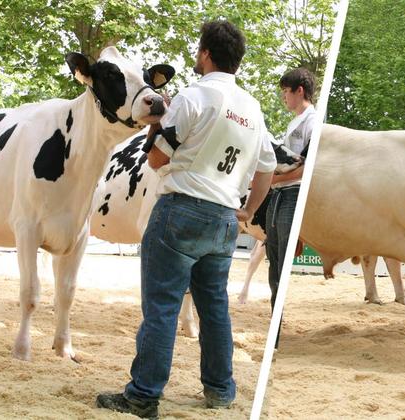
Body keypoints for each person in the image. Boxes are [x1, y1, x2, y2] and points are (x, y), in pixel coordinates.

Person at [96, 20, 277, 418]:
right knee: (215, 309)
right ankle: (220, 390)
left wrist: (157, 122)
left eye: (199, 51)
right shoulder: (253, 107)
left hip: (180, 207)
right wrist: (248, 209)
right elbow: (267, 167)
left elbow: (157, 157)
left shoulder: (193, 96)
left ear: (206, 54)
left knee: (160, 306)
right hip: (225, 216)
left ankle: (143, 395)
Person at [266, 67, 317, 348]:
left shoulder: (312, 121)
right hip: (279, 195)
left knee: (282, 264)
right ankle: (275, 328)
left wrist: (275, 178)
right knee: (275, 263)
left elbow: (307, 167)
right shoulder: (294, 123)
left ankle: (276, 331)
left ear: (300, 90)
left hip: (292, 194)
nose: (284, 97)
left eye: (286, 92)